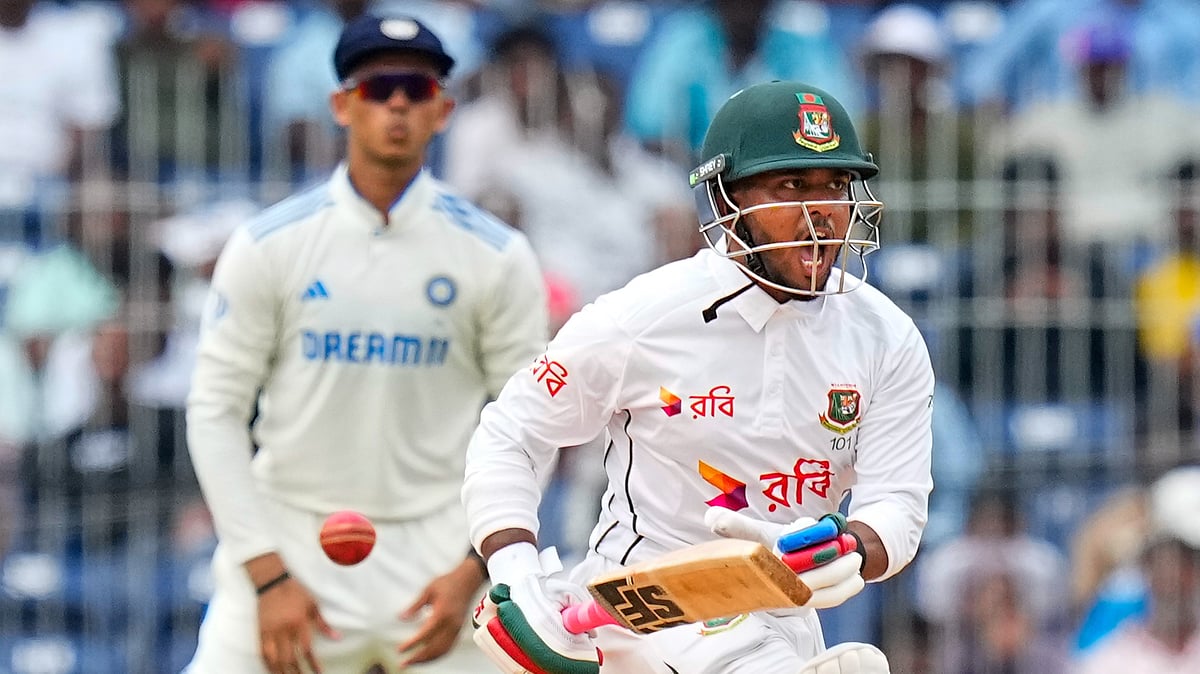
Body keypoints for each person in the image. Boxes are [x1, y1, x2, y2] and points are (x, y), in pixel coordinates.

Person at [463, 80, 934, 674]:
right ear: (727, 200)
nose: (822, 214)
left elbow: (897, 502)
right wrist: (513, 566)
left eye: (836, 186)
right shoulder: (643, 317)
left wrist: (853, 548)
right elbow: (511, 431)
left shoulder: (886, 336)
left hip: (782, 613)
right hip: (638, 605)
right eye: (792, 185)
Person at [185, 13, 548, 673]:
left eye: (417, 88)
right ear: (342, 105)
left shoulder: (496, 255)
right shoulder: (269, 245)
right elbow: (214, 410)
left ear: (444, 110)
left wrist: (476, 567)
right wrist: (267, 576)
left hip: (442, 560)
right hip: (291, 541)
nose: (399, 104)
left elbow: (532, 423)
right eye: (379, 88)